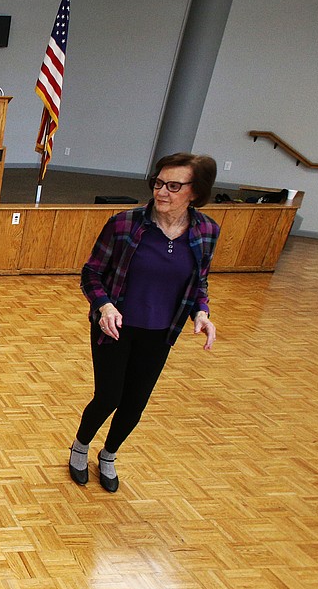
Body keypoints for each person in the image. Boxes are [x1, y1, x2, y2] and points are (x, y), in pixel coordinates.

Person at [70, 152, 219, 492]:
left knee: (135, 404)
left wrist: (201, 312)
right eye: (158, 183)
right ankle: (80, 447)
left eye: (174, 185)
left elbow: (199, 282)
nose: (162, 192)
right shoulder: (125, 224)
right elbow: (92, 273)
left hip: (161, 332)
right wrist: (105, 306)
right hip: (114, 327)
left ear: (195, 192)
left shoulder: (207, 231)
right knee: (108, 396)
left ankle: (108, 456)